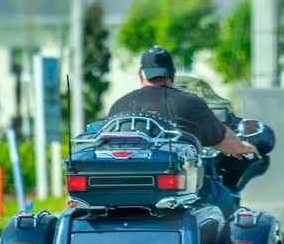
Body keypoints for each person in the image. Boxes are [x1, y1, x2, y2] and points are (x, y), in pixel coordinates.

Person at [107, 46, 258, 216]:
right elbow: (224, 140)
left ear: (140, 74)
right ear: (172, 74)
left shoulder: (118, 106)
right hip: (176, 188)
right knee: (224, 197)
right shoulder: (190, 103)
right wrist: (243, 148)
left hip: (126, 189)